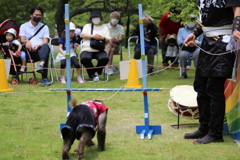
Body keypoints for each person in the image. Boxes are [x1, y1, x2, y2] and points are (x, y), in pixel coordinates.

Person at [183, 0, 240, 144]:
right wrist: (194, 33)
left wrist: (237, 28)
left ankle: (215, 133)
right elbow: (204, 18)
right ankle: (204, 128)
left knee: (214, 88)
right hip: (207, 43)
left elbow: (237, 9)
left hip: (224, 43)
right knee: (200, 86)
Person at [19, 6, 51, 85]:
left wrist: (38, 46)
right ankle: (42, 69)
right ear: (31, 15)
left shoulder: (44, 27)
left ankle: (44, 76)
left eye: (40, 15)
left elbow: (45, 40)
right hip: (28, 52)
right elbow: (21, 40)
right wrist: (27, 41)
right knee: (45, 54)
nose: (38, 17)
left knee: (45, 47)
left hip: (40, 51)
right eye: (36, 15)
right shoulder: (24, 26)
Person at [80, 10, 110, 82]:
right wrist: (94, 36)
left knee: (105, 58)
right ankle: (94, 73)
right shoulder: (87, 26)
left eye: (97, 17)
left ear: (100, 18)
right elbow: (83, 35)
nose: (95, 18)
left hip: (100, 49)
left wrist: (102, 38)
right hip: (87, 49)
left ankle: (96, 73)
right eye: (94, 17)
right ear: (91, 18)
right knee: (84, 58)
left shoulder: (105, 28)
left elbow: (108, 40)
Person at [177, 15, 203, 79]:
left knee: (197, 54)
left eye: (192, 19)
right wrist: (188, 43)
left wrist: (196, 43)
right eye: (189, 19)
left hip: (196, 48)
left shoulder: (200, 31)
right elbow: (179, 41)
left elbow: (202, 42)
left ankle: (198, 73)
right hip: (185, 48)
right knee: (182, 55)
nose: (190, 21)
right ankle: (183, 73)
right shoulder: (181, 30)